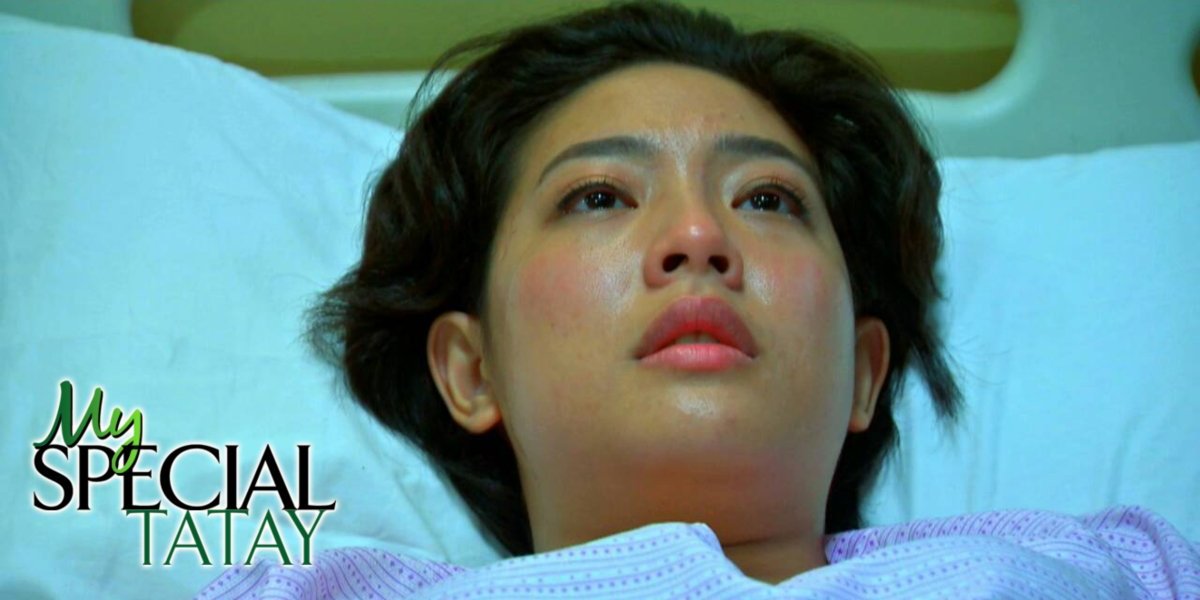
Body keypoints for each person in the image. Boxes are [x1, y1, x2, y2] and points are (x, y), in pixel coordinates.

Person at [200, 2, 1199, 598]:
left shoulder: (1106, 573)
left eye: (767, 199)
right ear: (472, 369)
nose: (698, 236)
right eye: (600, 196)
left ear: (864, 373)